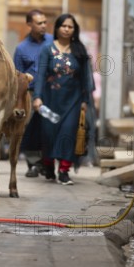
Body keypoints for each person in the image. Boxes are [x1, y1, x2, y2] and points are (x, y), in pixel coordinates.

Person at [32, 13, 95, 185]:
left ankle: (64, 171)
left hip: (73, 101)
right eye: (63, 26)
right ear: (57, 28)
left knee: (68, 133)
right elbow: (41, 75)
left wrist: (85, 101)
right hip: (50, 100)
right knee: (48, 135)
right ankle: (48, 165)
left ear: (74, 30)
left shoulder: (79, 51)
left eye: (70, 27)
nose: (67, 29)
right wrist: (37, 97)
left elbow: (85, 79)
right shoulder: (47, 49)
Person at [13, 9, 53, 177]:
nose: (43, 26)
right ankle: (33, 163)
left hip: (51, 91)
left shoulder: (53, 41)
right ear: (29, 24)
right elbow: (18, 76)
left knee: (49, 126)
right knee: (30, 127)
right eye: (39, 23)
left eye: (45, 22)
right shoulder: (22, 49)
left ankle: (47, 162)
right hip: (30, 93)